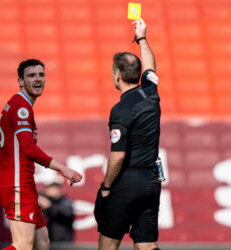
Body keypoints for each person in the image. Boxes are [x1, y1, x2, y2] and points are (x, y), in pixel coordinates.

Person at [0, 59, 83, 250]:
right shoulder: (21, 107)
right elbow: (28, 149)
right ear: (20, 81)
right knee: (22, 246)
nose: (37, 79)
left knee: (42, 243)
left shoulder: (16, 104)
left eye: (41, 75)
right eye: (31, 75)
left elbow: (1, 149)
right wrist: (63, 169)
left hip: (22, 184)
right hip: (18, 185)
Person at [94, 18, 162, 250]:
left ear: (117, 76)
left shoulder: (121, 109)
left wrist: (106, 187)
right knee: (146, 244)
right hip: (152, 181)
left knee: (108, 243)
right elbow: (151, 66)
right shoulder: (151, 94)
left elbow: (118, 155)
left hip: (127, 181)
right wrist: (142, 38)